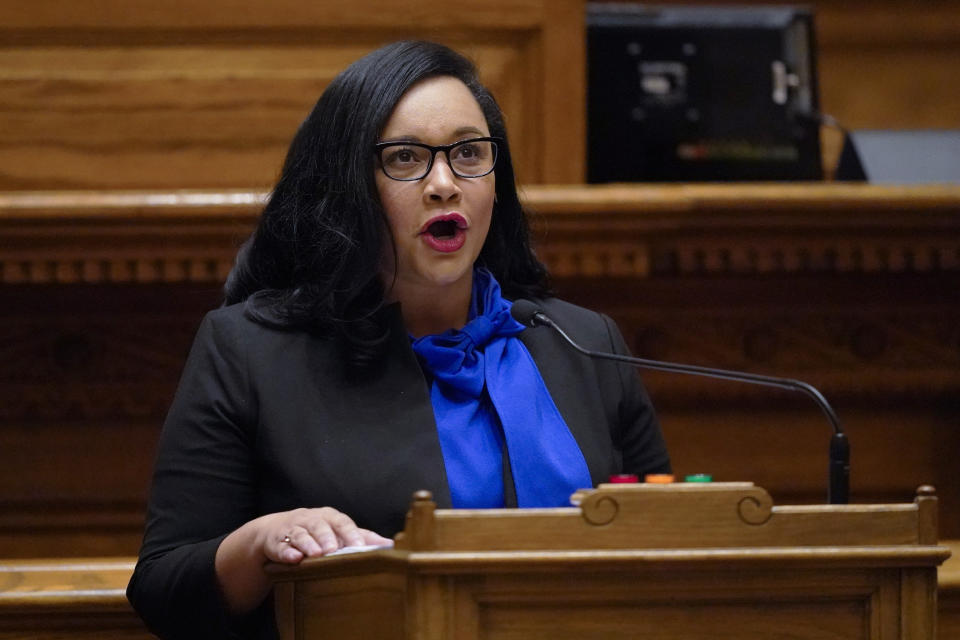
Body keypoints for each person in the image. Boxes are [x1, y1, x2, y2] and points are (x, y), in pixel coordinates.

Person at [127, 40, 670, 639]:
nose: (445, 184)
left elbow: (670, 548)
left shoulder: (582, 341)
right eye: (406, 159)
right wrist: (260, 542)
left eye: (469, 153)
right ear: (346, 186)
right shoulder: (250, 351)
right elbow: (162, 588)